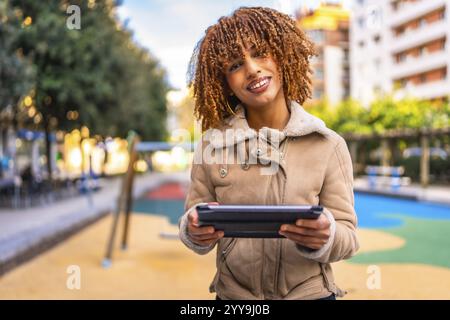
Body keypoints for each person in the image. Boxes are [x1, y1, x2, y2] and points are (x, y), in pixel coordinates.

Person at [179, 6, 359, 300]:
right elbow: (192, 219)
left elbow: (348, 238)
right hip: (235, 299)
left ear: (282, 54)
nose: (251, 69)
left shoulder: (329, 145)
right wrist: (192, 231)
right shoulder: (211, 145)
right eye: (235, 65)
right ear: (224, 82)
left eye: (261, 53)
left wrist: (326, 236)